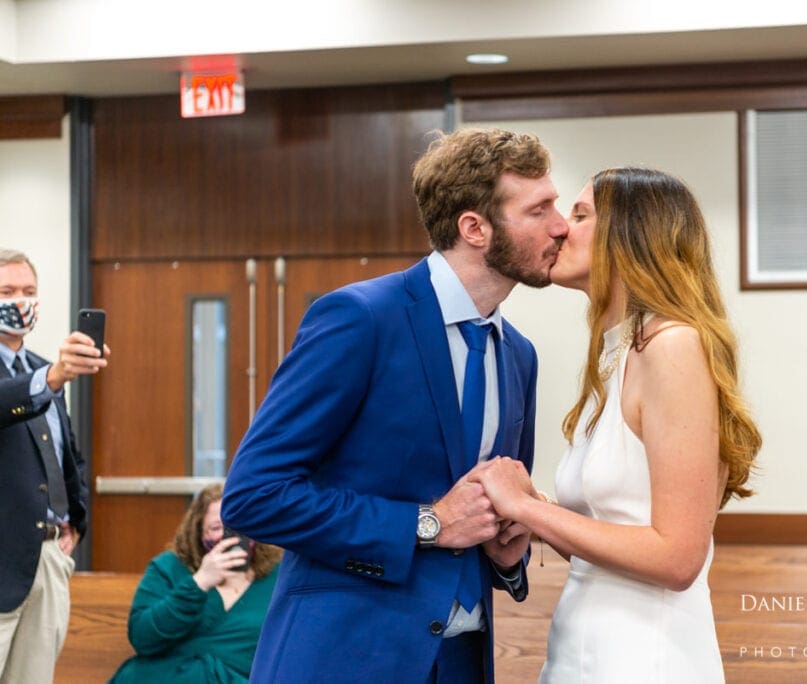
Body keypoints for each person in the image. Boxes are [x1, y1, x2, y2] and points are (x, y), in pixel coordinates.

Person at [220, 128, 569, 683]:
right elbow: (253, 496)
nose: (561, 226)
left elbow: (490, 510)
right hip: (346, 657)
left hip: (461, 663)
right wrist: (428, 523)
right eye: (540, 209)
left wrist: (508, 554)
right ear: (474, 228)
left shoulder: (518, 355)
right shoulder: (361, 319)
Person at [471, 167, 762, 682]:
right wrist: (533, 513)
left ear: (632, 238)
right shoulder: (617, 352)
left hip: (645, 654)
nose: (560, 227)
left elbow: (677, 559)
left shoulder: (671, 345)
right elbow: (613, 536)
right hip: (583, 645)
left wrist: (528, 509)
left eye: (580, 215)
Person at [0, 248, 111, 683]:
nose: (21, 300)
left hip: (48, 557)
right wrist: (50, 380)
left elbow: (67, 455)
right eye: (7, 290)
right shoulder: (46, 377)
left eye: (29, 291)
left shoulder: (44, 369)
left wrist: (75, 521)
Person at [110, 483, 281, 683]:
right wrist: (200, 582)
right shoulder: (168, 567)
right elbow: (143, 639)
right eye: (217, 527)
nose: (229, 535)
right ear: (199, 533)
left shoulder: (277, 577)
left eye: (236, 525)